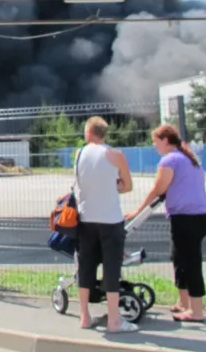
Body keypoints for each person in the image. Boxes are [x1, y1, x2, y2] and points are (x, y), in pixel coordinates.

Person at [125, 124, 206, 323]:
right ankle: (183, 303)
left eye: (155, 141)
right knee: (179, 258)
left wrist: (138, 211)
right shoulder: (188, 159)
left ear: (165, 140)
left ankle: (196, 311)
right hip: (199, 216)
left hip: (187, 218)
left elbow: (158, 189)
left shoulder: (170, 160)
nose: (154, 145)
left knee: (190, 262)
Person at [74, 116, 137, 332]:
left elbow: (80, 184)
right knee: (112, 269)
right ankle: (113, 321)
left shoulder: (79, 153)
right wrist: (115, 186)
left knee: (86, 267)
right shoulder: (116, 155)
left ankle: (84, 316)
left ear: (90, 132)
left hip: (86, 219)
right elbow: (128, 186)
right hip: (110, 219)